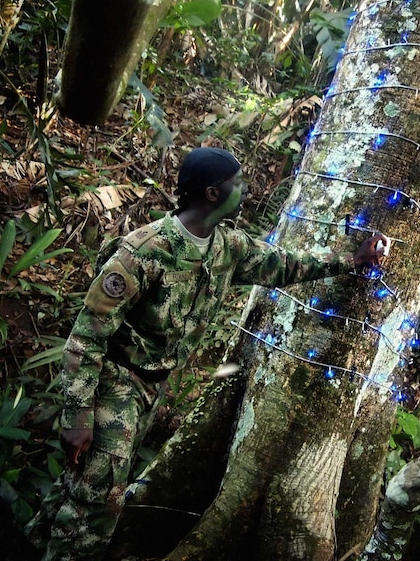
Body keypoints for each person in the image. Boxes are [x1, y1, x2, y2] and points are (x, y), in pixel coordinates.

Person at [25, 146, 387, 560]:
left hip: (150, 392)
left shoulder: (227, 247)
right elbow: (87, 336)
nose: (246, 190)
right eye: (238, 183)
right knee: (95, 508)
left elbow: (285, 264)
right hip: (114, 387)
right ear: (213, 194)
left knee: (84, 488)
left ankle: (32, 545)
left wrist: (352, 259)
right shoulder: (144, 250)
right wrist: (77, 415)